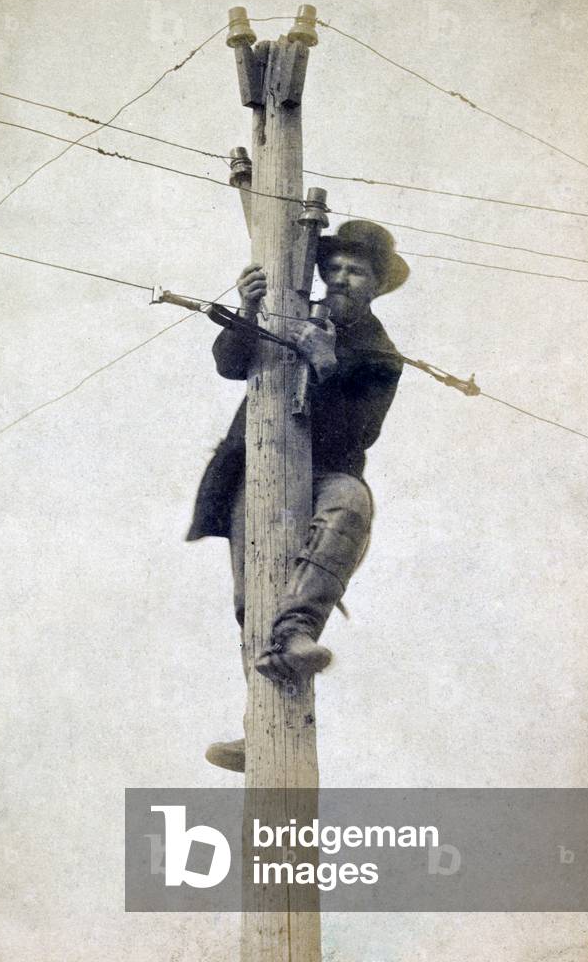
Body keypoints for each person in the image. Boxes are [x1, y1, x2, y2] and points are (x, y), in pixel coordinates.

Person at [186, 221, 407, 772]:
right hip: (258, 469)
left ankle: (297, 631)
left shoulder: (381, 355)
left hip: (326, 470)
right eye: (334, 268)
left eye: (357, 271)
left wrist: (327, 365)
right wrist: (249, 308)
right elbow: (230, 363)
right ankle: (259, 727)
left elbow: (361, 434)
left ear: (376, 285)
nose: (341, 278)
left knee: (350, 505)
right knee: (253, 597)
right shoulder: (289, 310)